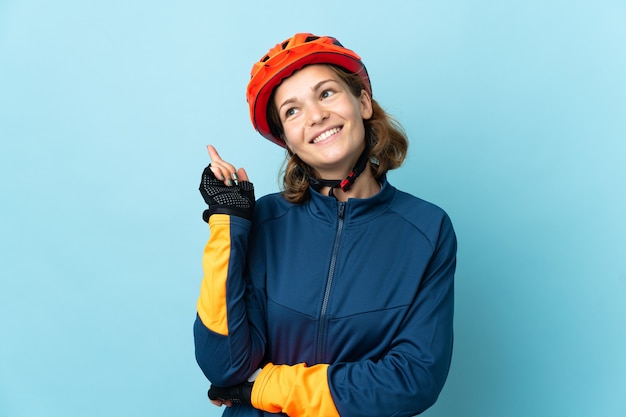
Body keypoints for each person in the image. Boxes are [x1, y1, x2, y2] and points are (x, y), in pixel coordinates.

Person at [194, 33, 457, 417]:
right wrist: (229, 223)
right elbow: (223, 365)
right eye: (292, 111)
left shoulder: (427, 229)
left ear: (363, 103)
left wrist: (265, 386)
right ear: (287, 140)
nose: (315, 115)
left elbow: (415, 380)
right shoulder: (265, 219)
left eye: (327, 93)